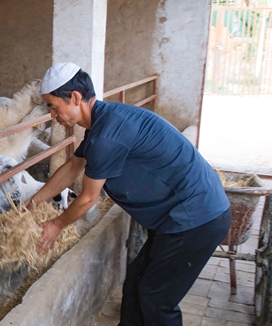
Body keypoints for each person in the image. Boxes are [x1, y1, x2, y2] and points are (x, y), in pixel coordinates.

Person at [27, 62, 231, 326]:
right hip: (180, 215)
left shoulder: (105, 136)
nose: (53, 115)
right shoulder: (104, 121)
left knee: (157, 300)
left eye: (53, 106)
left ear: (75, 98)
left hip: (196, 217)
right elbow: (73, 167)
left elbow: (88, 199)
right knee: (136, 282)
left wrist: (56, 225)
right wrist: (33, 203)